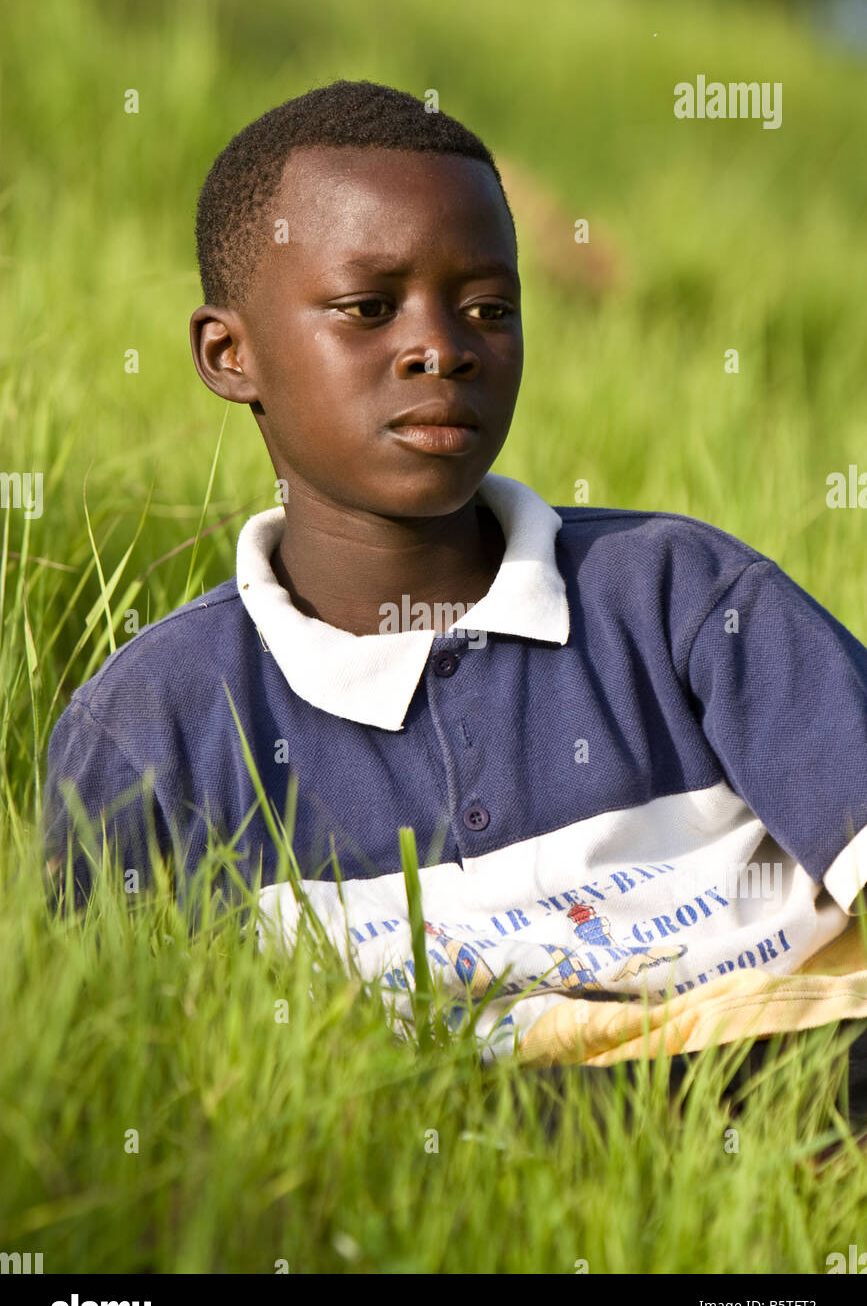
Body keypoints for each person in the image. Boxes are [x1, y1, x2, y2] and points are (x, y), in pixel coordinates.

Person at [43, 80, 867, 1076]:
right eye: (369, 308)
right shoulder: (156, 731)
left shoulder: (685, 600)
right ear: (230, 353)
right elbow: (123, 1071)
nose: (442, 348)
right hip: (487, 1153)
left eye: (488, 307)